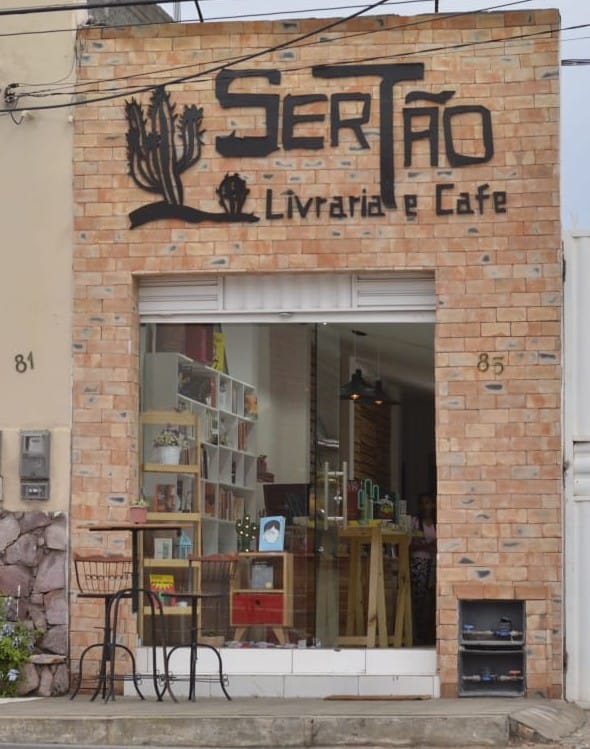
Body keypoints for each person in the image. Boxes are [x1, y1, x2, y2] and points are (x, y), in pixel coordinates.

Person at [410, 492, 436, 646]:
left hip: (433, 564)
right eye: (422, 503)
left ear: (433, 505)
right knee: (418, 598)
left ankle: (428, 633)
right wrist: (428, 545)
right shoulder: (415, 522)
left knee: (430, 599)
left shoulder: (436, 523)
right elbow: (410, 543)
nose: (424, 506)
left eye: (427, 503)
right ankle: (417, 634)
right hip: (418, 563)